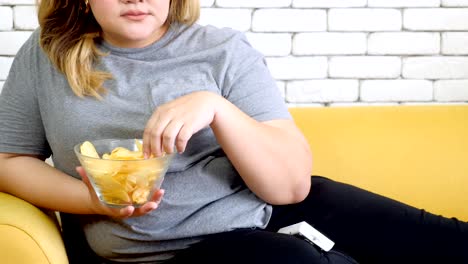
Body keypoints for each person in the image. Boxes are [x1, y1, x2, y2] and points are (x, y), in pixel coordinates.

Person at [0, 0, 467, 263]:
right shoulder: (46, 57)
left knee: (447, 244)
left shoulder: (223, 49)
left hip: (268, 208)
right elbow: (8, 162)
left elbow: (288, 188)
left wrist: (217, 109)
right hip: (186, 253)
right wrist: (93, 201)